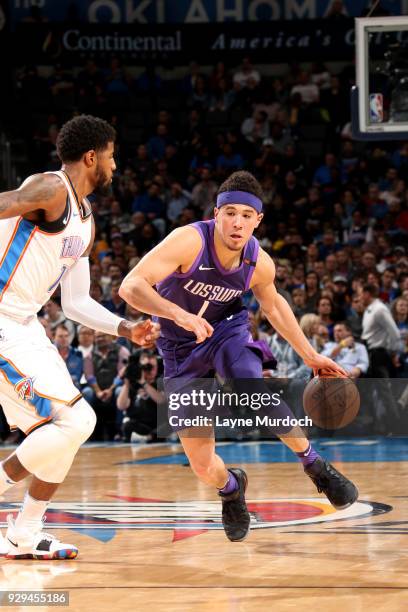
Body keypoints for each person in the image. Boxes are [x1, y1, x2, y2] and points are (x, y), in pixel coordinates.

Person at [119, 170, 358, 543]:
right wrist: (176, 314)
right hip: (179, 347)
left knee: (252, 389)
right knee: (202, 465)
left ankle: (315, 465)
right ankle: (232, 488)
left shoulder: (258, 262)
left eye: (247, 215)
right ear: (216, 214)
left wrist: (311, 355)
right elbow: (130, 285)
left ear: (258, 220)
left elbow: (274, 306)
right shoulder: (189, 241)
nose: (237, 222)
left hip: (225, 330)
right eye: (230, 212)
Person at [0, 114, 160, 560]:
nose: (116, 165)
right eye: (112, 156)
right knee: (79, 422)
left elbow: (75, 303)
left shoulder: (85, 221)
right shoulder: (50, 189)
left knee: (65, 432)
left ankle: (24, 534)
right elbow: (5, 201)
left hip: (25, 325)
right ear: (92, 156)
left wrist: (126, 327)